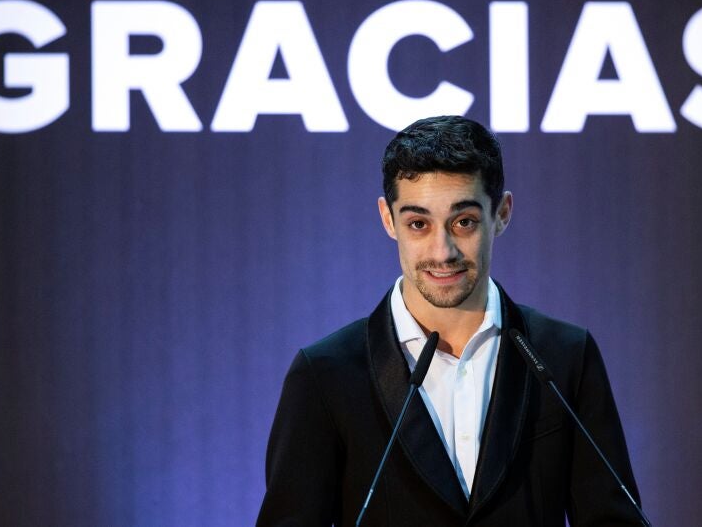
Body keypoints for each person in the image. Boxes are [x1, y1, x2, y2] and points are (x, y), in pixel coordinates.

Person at [257, 116, 643, 526]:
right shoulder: (326, 374)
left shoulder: (564, 356)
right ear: (388, 219)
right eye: (418, 224)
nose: (442, 252)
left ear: (502, 214)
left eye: (464, 222)